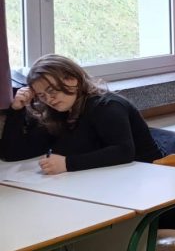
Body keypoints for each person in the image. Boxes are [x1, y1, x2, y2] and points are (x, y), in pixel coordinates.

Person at [1, 54, 163, 173]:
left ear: (73, 79)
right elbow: (13, 153)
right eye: (41, 95)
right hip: (101, 180)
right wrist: (17, 110)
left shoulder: (108, 106)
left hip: (145, 176)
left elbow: (124, 152)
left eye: (52, 90)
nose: (49, 99)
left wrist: (68, 163)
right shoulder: (57, 112)